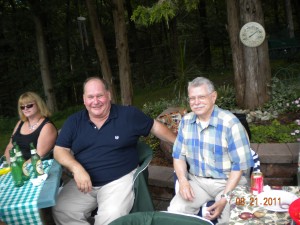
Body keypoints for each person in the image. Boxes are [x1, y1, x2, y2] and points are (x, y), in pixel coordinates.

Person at [52, 77, 176, 225]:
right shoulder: (74, 121)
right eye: (90, 97)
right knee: (61, 210)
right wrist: (76, 168)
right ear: (84, 100)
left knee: (110, 217)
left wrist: (180, 143)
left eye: (100, 95)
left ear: (109, 95)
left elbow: (155, 127)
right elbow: (59, 150)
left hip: (118, 180)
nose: (95, 101)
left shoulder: (128, 115)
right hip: (85, 182)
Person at [167, 77, 254, 224]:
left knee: (228, 219)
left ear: (213, 97)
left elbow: (239, 165)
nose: (196, 102)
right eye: (192, 98)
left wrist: (225, 197)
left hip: (229, 182)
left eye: (201, 97)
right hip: (198, 182)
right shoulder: (186, 122)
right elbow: (178, 156)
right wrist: (183, 181)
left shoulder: (230, 123)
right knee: (175, 212)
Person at [4, 92, 57, 162]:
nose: (25, 109)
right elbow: (10, 146)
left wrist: (20, 168)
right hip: (14, 164)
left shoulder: (47, 126)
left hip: (34, 166)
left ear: (38, 105)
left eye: (29, 105)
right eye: (22, 107)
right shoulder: (20, 123)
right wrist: (9, 164)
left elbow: (39, 155)